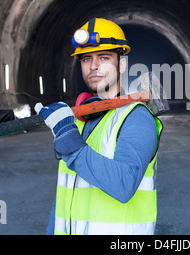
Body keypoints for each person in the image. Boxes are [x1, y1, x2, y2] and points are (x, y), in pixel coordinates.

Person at [35, 18, 163, 235]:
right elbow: (66, 196)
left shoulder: (137, 119)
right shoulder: (78, 121)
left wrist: (69, 141)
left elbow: (124, 184)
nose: (93, 66)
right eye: (86, 59)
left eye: (104, 57)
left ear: (121, 64)